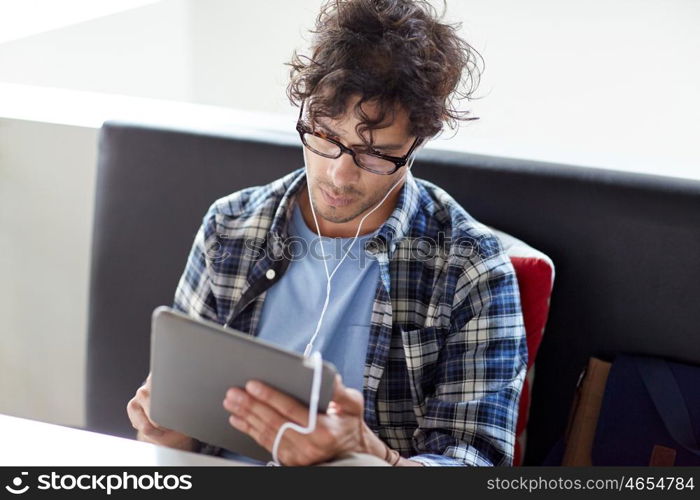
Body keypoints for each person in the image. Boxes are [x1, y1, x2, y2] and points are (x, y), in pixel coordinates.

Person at [127, 0, 527, 467]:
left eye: (375, 154)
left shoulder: (471, 268)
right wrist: (167, 435)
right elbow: (181, 442)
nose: (339, 176)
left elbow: (478, 466)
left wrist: (370, 458)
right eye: (324, 135)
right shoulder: (230, 228)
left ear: (417, 143)